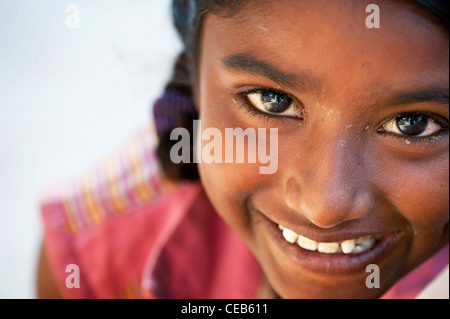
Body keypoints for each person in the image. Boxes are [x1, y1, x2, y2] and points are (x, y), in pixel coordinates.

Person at [36, 0, 449, 299]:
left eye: (412, 124)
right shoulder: (100, 257)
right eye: (272, 101)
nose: (324, 207)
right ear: (194, 77)